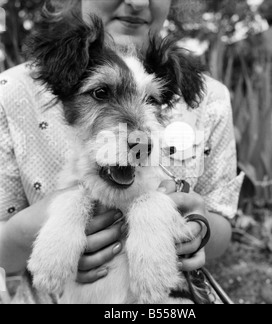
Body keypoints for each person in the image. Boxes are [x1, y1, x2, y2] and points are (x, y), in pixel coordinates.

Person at [0, 0, 244, 304]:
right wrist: (40, 227)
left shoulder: (213, 99)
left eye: (153, 101)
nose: (139, 1)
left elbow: (220, 233)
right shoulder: (12, 91)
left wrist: (196, 228)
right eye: (101, 93)